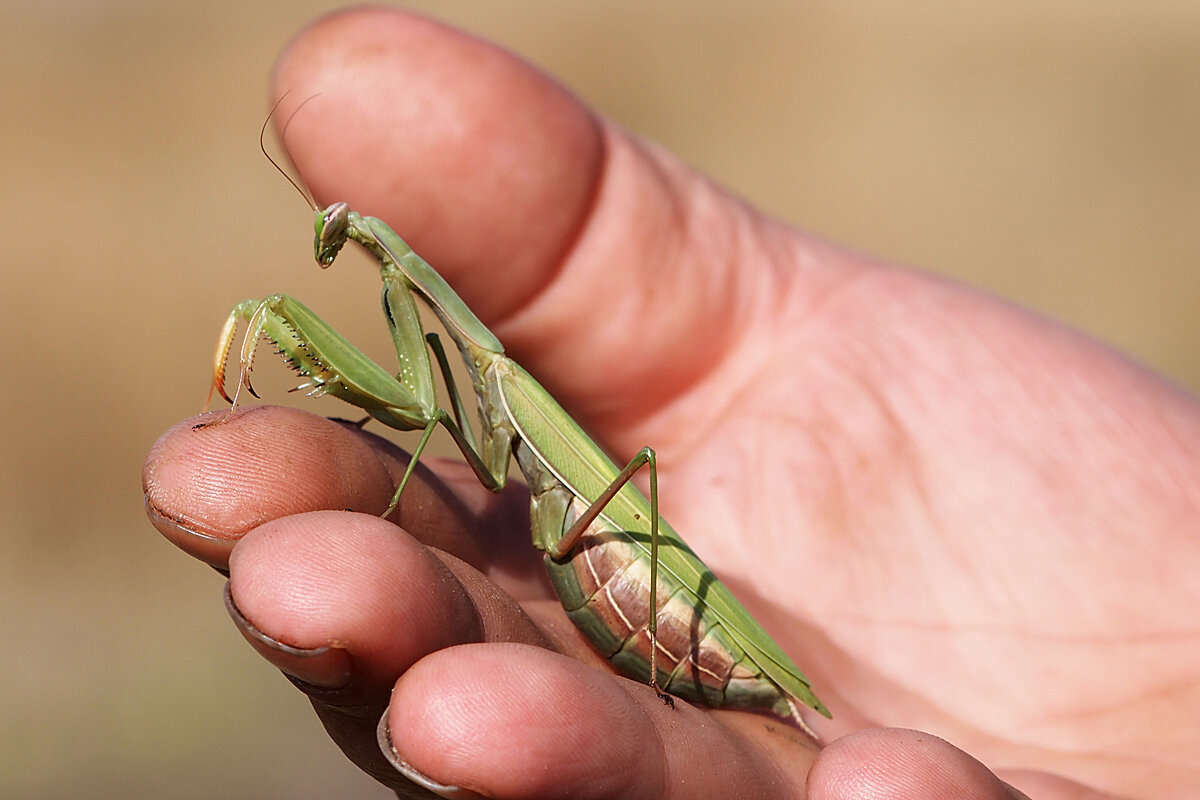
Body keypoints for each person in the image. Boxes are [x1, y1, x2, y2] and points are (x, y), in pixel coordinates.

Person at [142, 7, 1198, 798]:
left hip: (644, 572)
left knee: (580, 492)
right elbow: (426, 409)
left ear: (374, 245)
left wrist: (285, 336)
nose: (334, 242)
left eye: (345, 232)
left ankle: (714, 664)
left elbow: (421, 417)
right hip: (591, 541)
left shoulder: (477, 357)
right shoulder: (451, 347)